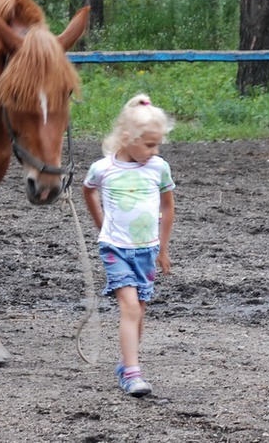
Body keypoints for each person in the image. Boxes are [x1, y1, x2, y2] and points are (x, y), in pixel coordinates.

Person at [82, 93, 175, 397]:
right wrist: (101, 223)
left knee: (140, 310)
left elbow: (168, 207)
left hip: (146, 250)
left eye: (157, 144)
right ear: (126, 138)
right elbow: (88, 191)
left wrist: (162, 248)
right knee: (130, 307)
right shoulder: (103, 169)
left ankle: (126, 363)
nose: (154, 150)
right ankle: (133, 373)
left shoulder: (158, 168)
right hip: (115, 249)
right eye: (149, 144)